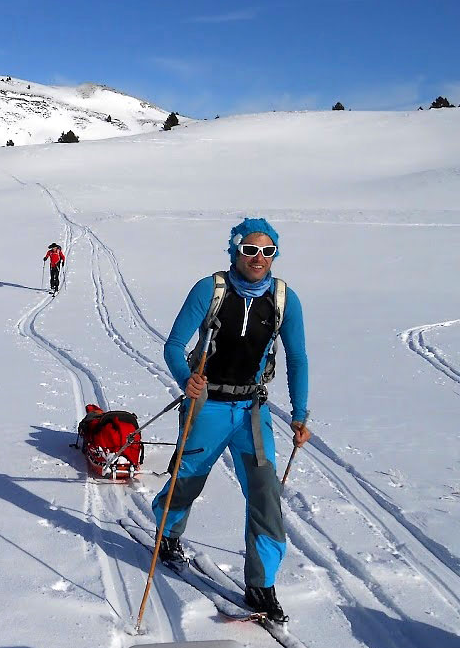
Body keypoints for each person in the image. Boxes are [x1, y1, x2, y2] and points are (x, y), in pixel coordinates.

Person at [154, 217, 311, 623]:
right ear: (236, 251)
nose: (258, 258)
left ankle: (261, 584)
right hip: (208, 406)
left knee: (265, 493)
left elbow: (297, 358)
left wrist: (299, 414)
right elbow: (173, 345)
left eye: (267, 251)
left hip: (251, 411)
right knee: (187, 480)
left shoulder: (283, 299)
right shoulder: (211, 289)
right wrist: (186, 378)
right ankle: (168, 533)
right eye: (250, 250)